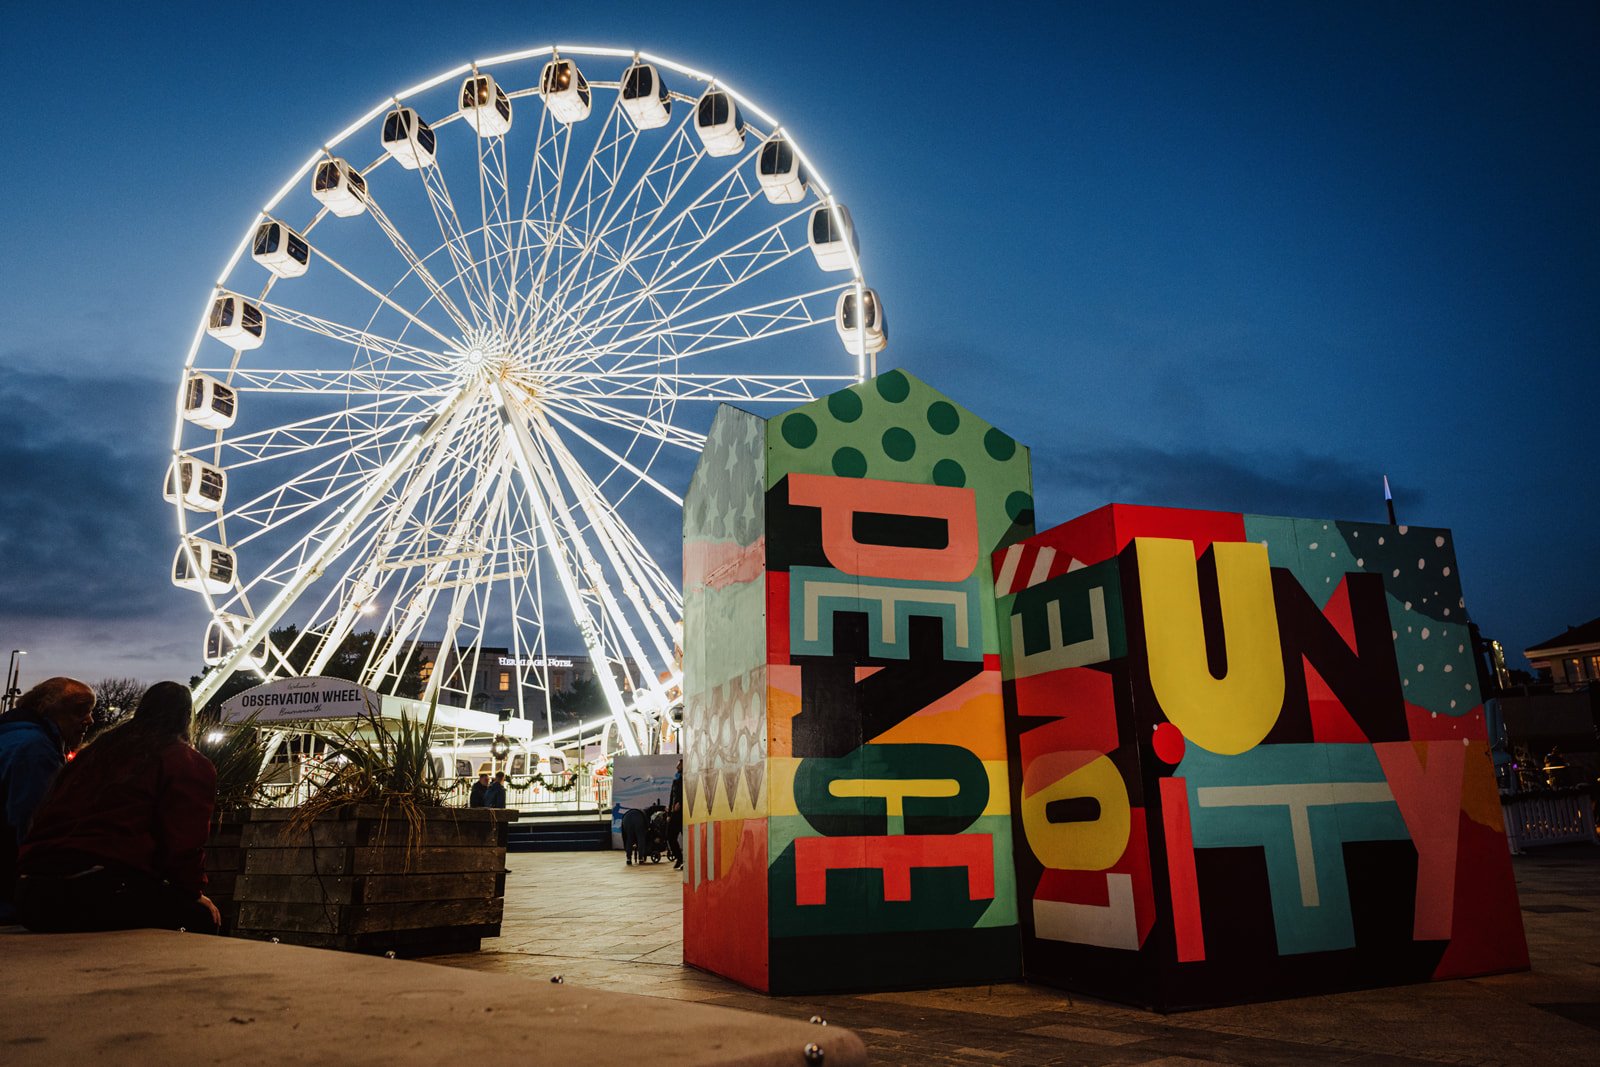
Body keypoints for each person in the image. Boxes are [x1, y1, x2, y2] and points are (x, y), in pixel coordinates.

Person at [15, 681, 220, 934]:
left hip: (31, 893)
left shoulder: (96, 753)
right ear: (187, 717)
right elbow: (184, 841)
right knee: (202, 917)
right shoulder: (183, 761)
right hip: (98, 891)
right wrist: (192, 891)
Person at [0, 677, 95, 921]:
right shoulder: (36, 751)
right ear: (49, 710)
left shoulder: (12, 736)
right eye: (80, 711)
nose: (90, 720)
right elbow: (35, 826)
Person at [668, 759, 684, 870]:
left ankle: (687, 861)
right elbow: (671, 797)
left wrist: (681, 803)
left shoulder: (688, 779)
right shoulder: (676, 781)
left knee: (687, 838)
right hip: (675, 814)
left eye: (679, 765)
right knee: (670, 836)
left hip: (685, 814)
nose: (677, 767)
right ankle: (679, 857)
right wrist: (669, 812)